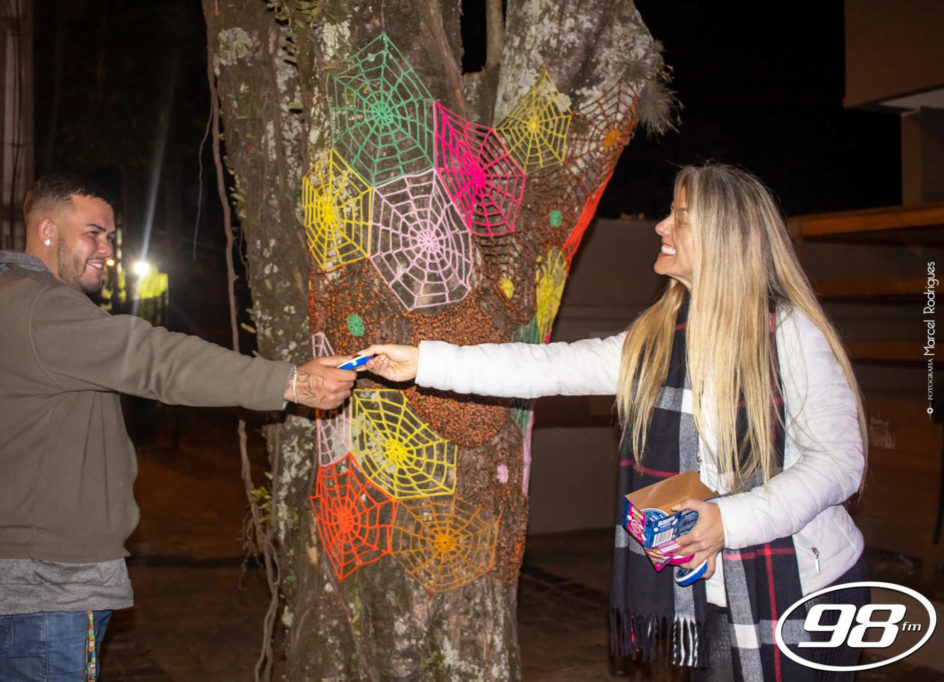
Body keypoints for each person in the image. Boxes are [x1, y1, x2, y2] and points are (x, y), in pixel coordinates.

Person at [363, 163, 867, 681]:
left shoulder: (789, 334)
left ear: (725, 238)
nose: (660, 226)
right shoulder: (660, 338)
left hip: (804, 586)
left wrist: (729, 521)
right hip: (712, 590)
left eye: (680, 217)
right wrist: (426, 362)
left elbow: (839, 463)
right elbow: (550, 367)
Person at [0, 172, 358, 680]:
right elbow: (154, 358)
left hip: (41, 582)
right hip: (43, 585)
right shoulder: (37, 305)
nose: (107, 249)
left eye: (110, 236)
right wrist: (289, 382)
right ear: (48, 231)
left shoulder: (18, 305)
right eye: (93, 233)